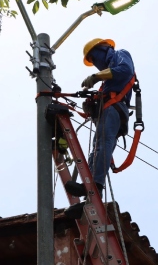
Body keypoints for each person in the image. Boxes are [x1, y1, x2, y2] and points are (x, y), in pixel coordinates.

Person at [64, 38, 135, 202]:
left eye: (94, 58)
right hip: (109, 109)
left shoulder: (120, 54)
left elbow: (124, 70)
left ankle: (95, 185)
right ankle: (90, 194)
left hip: (115, 107)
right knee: (97, 147)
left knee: (102, 143)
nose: (96, 64)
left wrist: (96, 76)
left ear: (103, 49)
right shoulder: (106, 83)